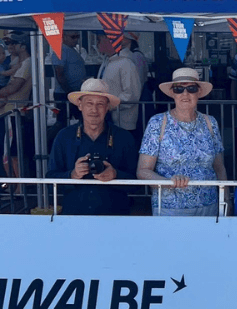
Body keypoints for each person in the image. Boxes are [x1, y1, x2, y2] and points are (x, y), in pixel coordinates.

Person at [137, 68, 227, 216]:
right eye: (179, 89)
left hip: (209, 206)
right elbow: (143, 170)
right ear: (172, 93)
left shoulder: (210, 122)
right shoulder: (158, 123)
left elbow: (219, 168)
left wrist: (226, 201)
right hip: (170, 208)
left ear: (199, 92)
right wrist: (168, 182)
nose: (185, 94)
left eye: (191, 88)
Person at [47, 79, 138, 215]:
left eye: (100, 104)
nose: (94, 110)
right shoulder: (64, 137)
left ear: (107, 107)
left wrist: (116, 175)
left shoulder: (124, 138)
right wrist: (72, 175)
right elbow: (50, 182)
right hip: (75, 217)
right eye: (89, 103)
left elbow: (138, 185)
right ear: (80, 105)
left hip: (115, 218)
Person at [0, 31, 34, 189]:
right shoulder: (16, 63)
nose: (9, 46)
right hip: (8, 113)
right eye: (7, 44)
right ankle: (14, 186)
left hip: (15, 114)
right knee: (8, 152)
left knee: (13, 154)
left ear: (22, 46)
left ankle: (20, 187)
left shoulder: (27, 63)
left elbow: (13, 88)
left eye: (12, 43)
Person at [97, 33, 141, 132]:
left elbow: (131, 95)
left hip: (124, 123)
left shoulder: (126, 63)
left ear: (110, 42)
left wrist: (108, 104)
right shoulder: (108, 62)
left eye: (99, 40)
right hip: (108, 119)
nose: (97, 44)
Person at [52, 30, 86, 125]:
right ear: (64, 37)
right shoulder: (60, 50)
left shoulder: (70, 50)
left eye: (77, 36)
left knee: (80, 121)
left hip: (74, 93)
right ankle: (52, 139)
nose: (76, 40)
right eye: (73, 37)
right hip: (65, 94)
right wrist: (69, 92)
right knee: (62, 123)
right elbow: (60, 74)